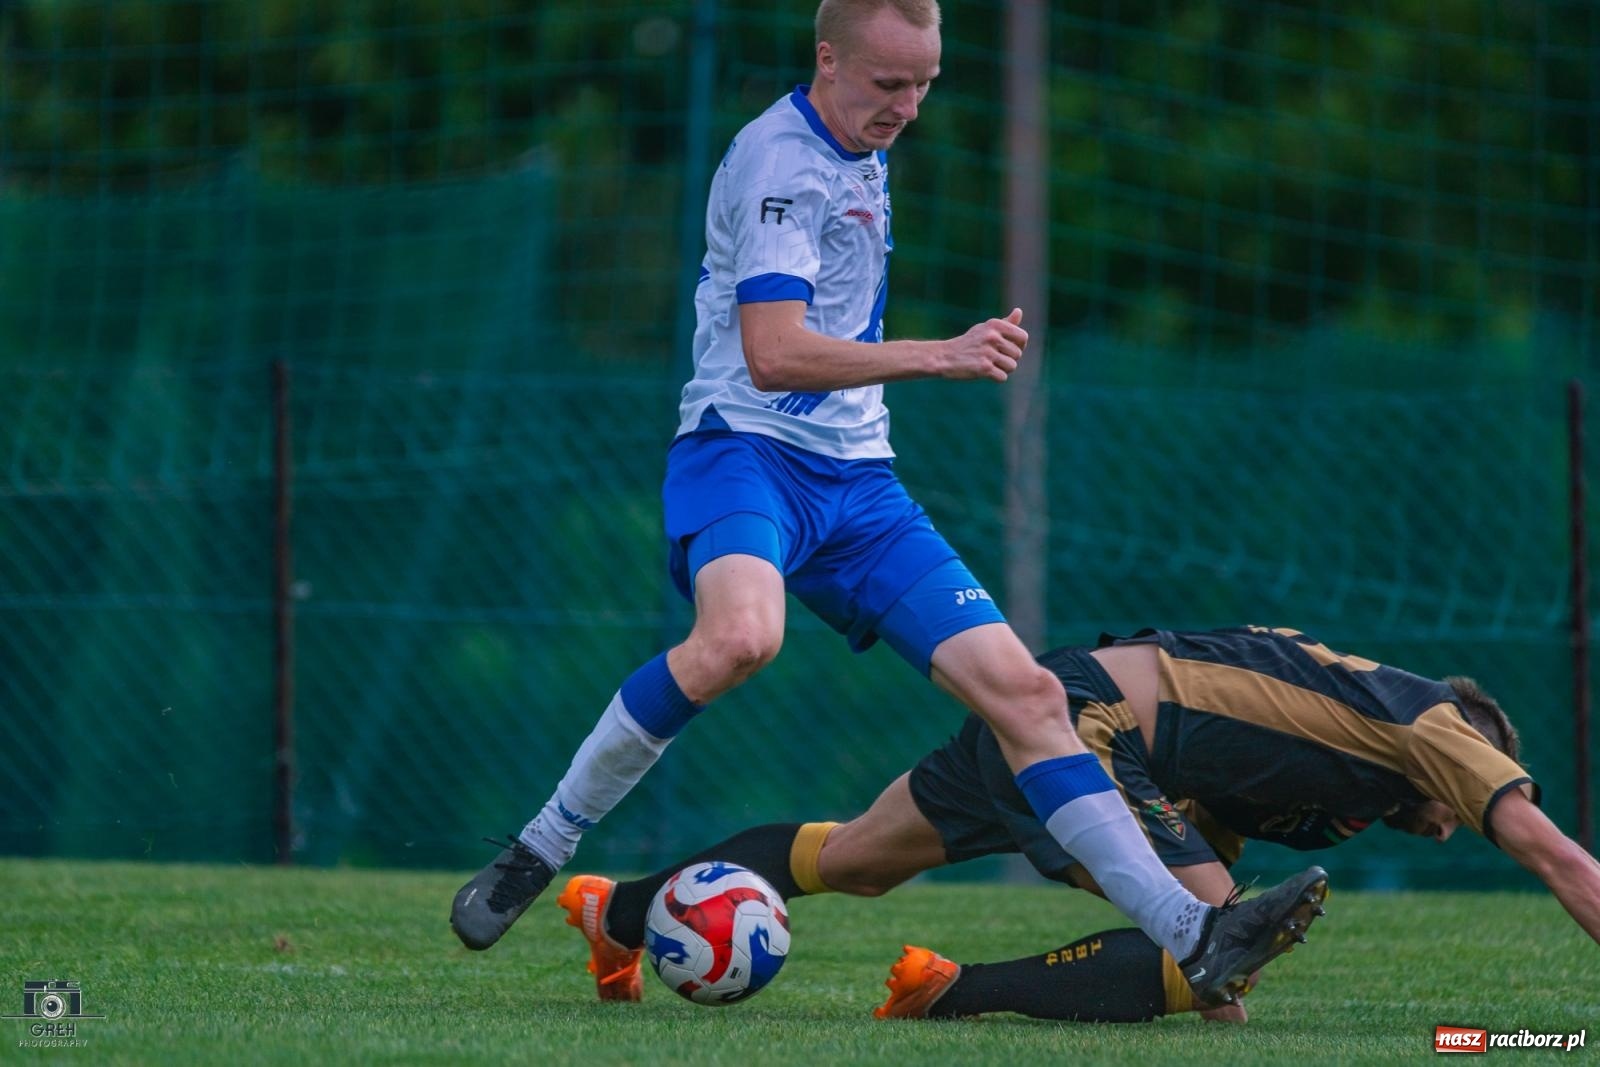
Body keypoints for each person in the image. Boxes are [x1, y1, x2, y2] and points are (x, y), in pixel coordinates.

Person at [449, 0, 1327, 1006]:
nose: (906, 107)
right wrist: (939, 354)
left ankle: (1193, 930)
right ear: (827, 60)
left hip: (859, 483)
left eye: (923, 86)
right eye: (886, 84)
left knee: (1033, 697)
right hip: (745, 454)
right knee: (739, 638)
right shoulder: (779, 161)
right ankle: (539, 845)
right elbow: (772, 356)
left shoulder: (863, 142)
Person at [553, 625, 1600, 1022]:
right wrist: (1212, 969)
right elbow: (1559, 858)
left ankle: (619, 912)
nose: (1452, 825)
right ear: (1471, 745)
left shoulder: (1349, 782)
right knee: (1214, 945)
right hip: (1087, 722)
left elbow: (1211, 817)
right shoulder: (1432, 726)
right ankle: (948, 993)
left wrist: (1210, 968)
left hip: (1072, 704)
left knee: (852, 859)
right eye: (1459, 806)